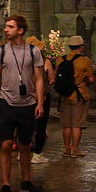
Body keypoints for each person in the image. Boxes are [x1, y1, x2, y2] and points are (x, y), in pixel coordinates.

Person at [0, 15, 45, 192]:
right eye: (5, 26)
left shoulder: (34, 51)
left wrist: (40, 102)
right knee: (5, 143)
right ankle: (5, 184)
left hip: (27, 103)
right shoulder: (1, 51)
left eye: (10, 27)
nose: (6, 30)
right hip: (6, 101)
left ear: (20, 30)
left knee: (24, 145)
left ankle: (26, 181)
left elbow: (38, 78)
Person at [56, 35, 94, 158]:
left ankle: (66, 148)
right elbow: (91, 78)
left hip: (64, 95)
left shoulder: (61, 60)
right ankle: (75, 148)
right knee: (77, 124)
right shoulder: (85, 60)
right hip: (79, 94)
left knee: (66, 124)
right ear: (81, 47)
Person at [27, 35, 56, 164]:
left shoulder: (23, 61)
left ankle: (23, 151)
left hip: (26, 97)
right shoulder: (45, 61)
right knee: (40, 125)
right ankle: (37, 153)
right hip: (41, 97)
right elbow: (52, 78)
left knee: (26, 124)